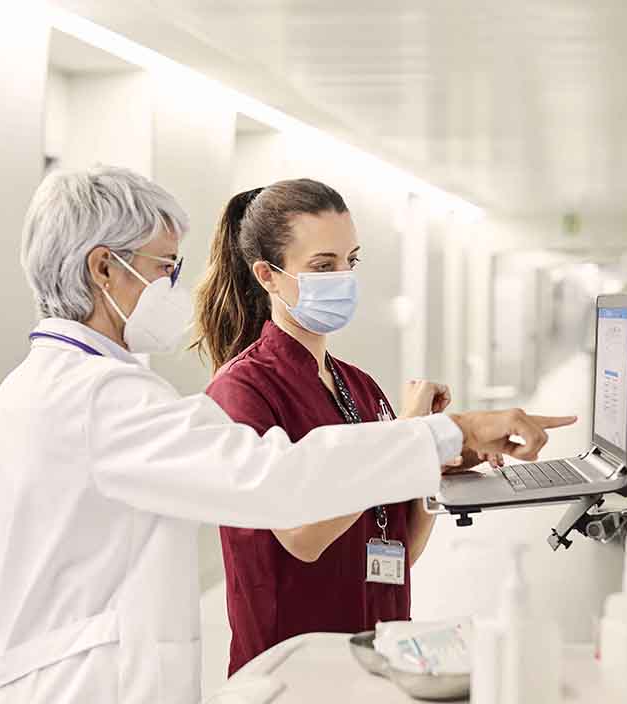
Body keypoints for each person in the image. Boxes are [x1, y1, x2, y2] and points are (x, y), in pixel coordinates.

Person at [0, 165, 576, 704]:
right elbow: (279, 483)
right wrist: (446, 432)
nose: (173, 284)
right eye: (163, 266)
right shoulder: (107, 398)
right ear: (105, 270)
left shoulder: (27, 389)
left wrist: (35, 635)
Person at [192, 180, 504, 675]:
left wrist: (435, 467)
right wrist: (405, 441)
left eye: (349, 261)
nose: (342, 277)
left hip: (378, 648)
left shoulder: (359, 387)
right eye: (322, 266)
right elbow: (303, 538)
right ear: (267, 276)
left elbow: (401, 548)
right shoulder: (242, 392)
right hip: (292, 664)